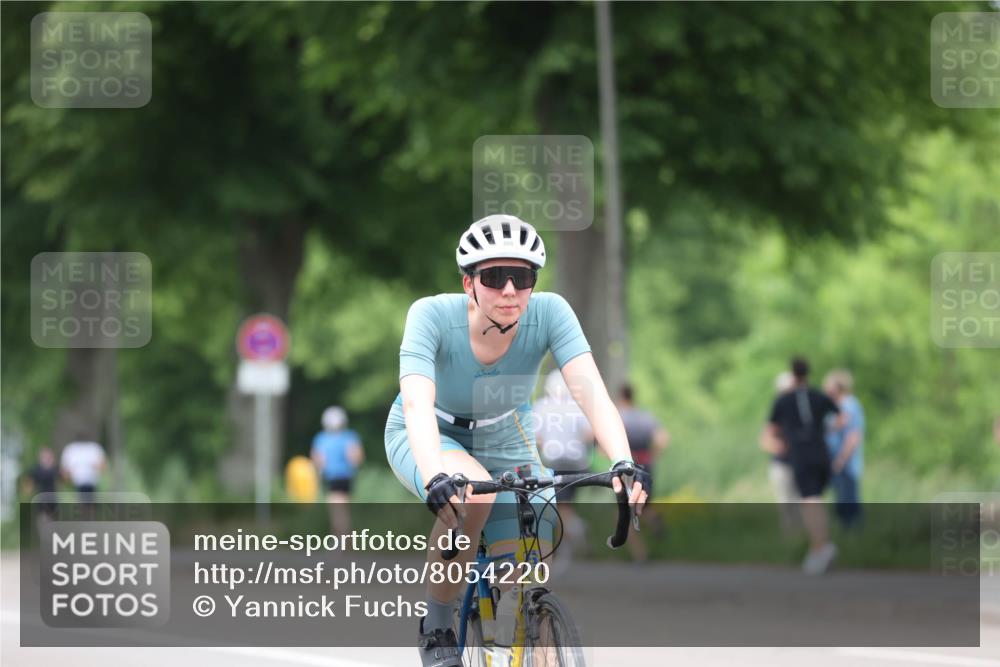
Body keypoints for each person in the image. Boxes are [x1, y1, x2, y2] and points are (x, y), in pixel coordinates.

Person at [383, 214, 650, 667]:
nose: (509, 290)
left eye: (522, 277)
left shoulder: (550, 312)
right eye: (493, 277)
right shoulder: (430, 315)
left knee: (531, 542)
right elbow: (415, 405)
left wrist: (623, 462)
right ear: (469, 283)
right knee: (470, 497)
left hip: (508, 432)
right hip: (433, 430)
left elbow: (591, 392)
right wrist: (436, 476)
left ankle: (520, 639)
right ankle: (439, 623)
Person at [764, 357, 840, 575]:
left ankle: (820, 548)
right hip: (821, 452)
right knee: (816, 499)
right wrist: (824, 431)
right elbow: (841, 418)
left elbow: (770, 432)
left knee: (809, 501)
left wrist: (786, 443)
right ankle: (822, 544)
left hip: (801, 453)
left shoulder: (784, 400)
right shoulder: (819, 396)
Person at [532, 369, 594, 561]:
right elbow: (589, 435)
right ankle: (566, 546)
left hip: (553, 461)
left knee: (559, 506)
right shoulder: (577, 406)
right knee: (564, 505)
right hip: (578, 463)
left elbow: (536, 437)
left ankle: (575, 529)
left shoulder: (541, 406)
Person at [617, 383, 670, 562]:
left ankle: (640, 555)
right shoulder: (646, 416)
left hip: (627, 467)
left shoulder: (619, 417)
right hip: (646, 465)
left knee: (625, 511)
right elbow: (663, 439)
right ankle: (653, 519)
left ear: (621, 397)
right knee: (644, 504)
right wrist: (653, 455)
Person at [311, 406, 364, 537]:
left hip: (335, 478)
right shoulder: (349, 436)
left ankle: (341, 540)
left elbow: (317, 459)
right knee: (342, 510)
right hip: (345, 477)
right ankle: (345, 540)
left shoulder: (322, 438)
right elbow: (357, 458)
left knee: (337, 511)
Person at [759, 371, 801, 536]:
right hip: (781, 465)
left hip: (799, 464)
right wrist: (781, 447)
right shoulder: (776, 411)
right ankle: (790, 539)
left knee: (801, 505)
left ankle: (802, 540)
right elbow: (764, 440)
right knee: (786, 505)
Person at [823, 369, 865, 529]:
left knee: (848, 503)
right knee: (840, 502)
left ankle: (853, 536)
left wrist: (840, 460)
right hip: (836, 461)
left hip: (845, 464)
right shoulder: (835, 406)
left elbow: (853, 437)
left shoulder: (849, 405)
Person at [59, 436, 106, 504]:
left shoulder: (94, 448)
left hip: (92, 482)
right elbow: (64, 470)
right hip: (77, 483)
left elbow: (103, 466)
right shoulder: (72, 449)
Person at [25, 447, 59, 520]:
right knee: (44, 521)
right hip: (42, 501)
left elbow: (65, 478)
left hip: (54, 500)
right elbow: (28, 483)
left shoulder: (55, 468)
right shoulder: (36, 469)